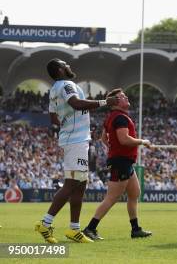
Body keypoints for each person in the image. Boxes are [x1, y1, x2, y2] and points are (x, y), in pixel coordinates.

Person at [35, 58, 119, 244]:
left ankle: (74, 229)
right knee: (72, 183)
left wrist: (70, 124)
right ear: (60, 69)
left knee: (80, 185)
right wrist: (106, 101)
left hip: (74, 139)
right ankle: (45, 223)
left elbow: (53, 118)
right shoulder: (66, 85)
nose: (69, 66)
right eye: (66, 64)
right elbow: (77, 104)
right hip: (76, 141)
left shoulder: (54, 90)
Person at [83, 88, 152, 241]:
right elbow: (124, 139)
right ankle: (90, 228)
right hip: (121, 161)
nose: (126, 97)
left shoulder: (112, 117)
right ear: (114, 103)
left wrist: (114, 149)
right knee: (112, 198)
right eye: (122, 96)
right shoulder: (120, 117)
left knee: (134, 193)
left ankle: (135, 229)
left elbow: (104, 139)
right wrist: (143, 141)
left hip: (123, 160)